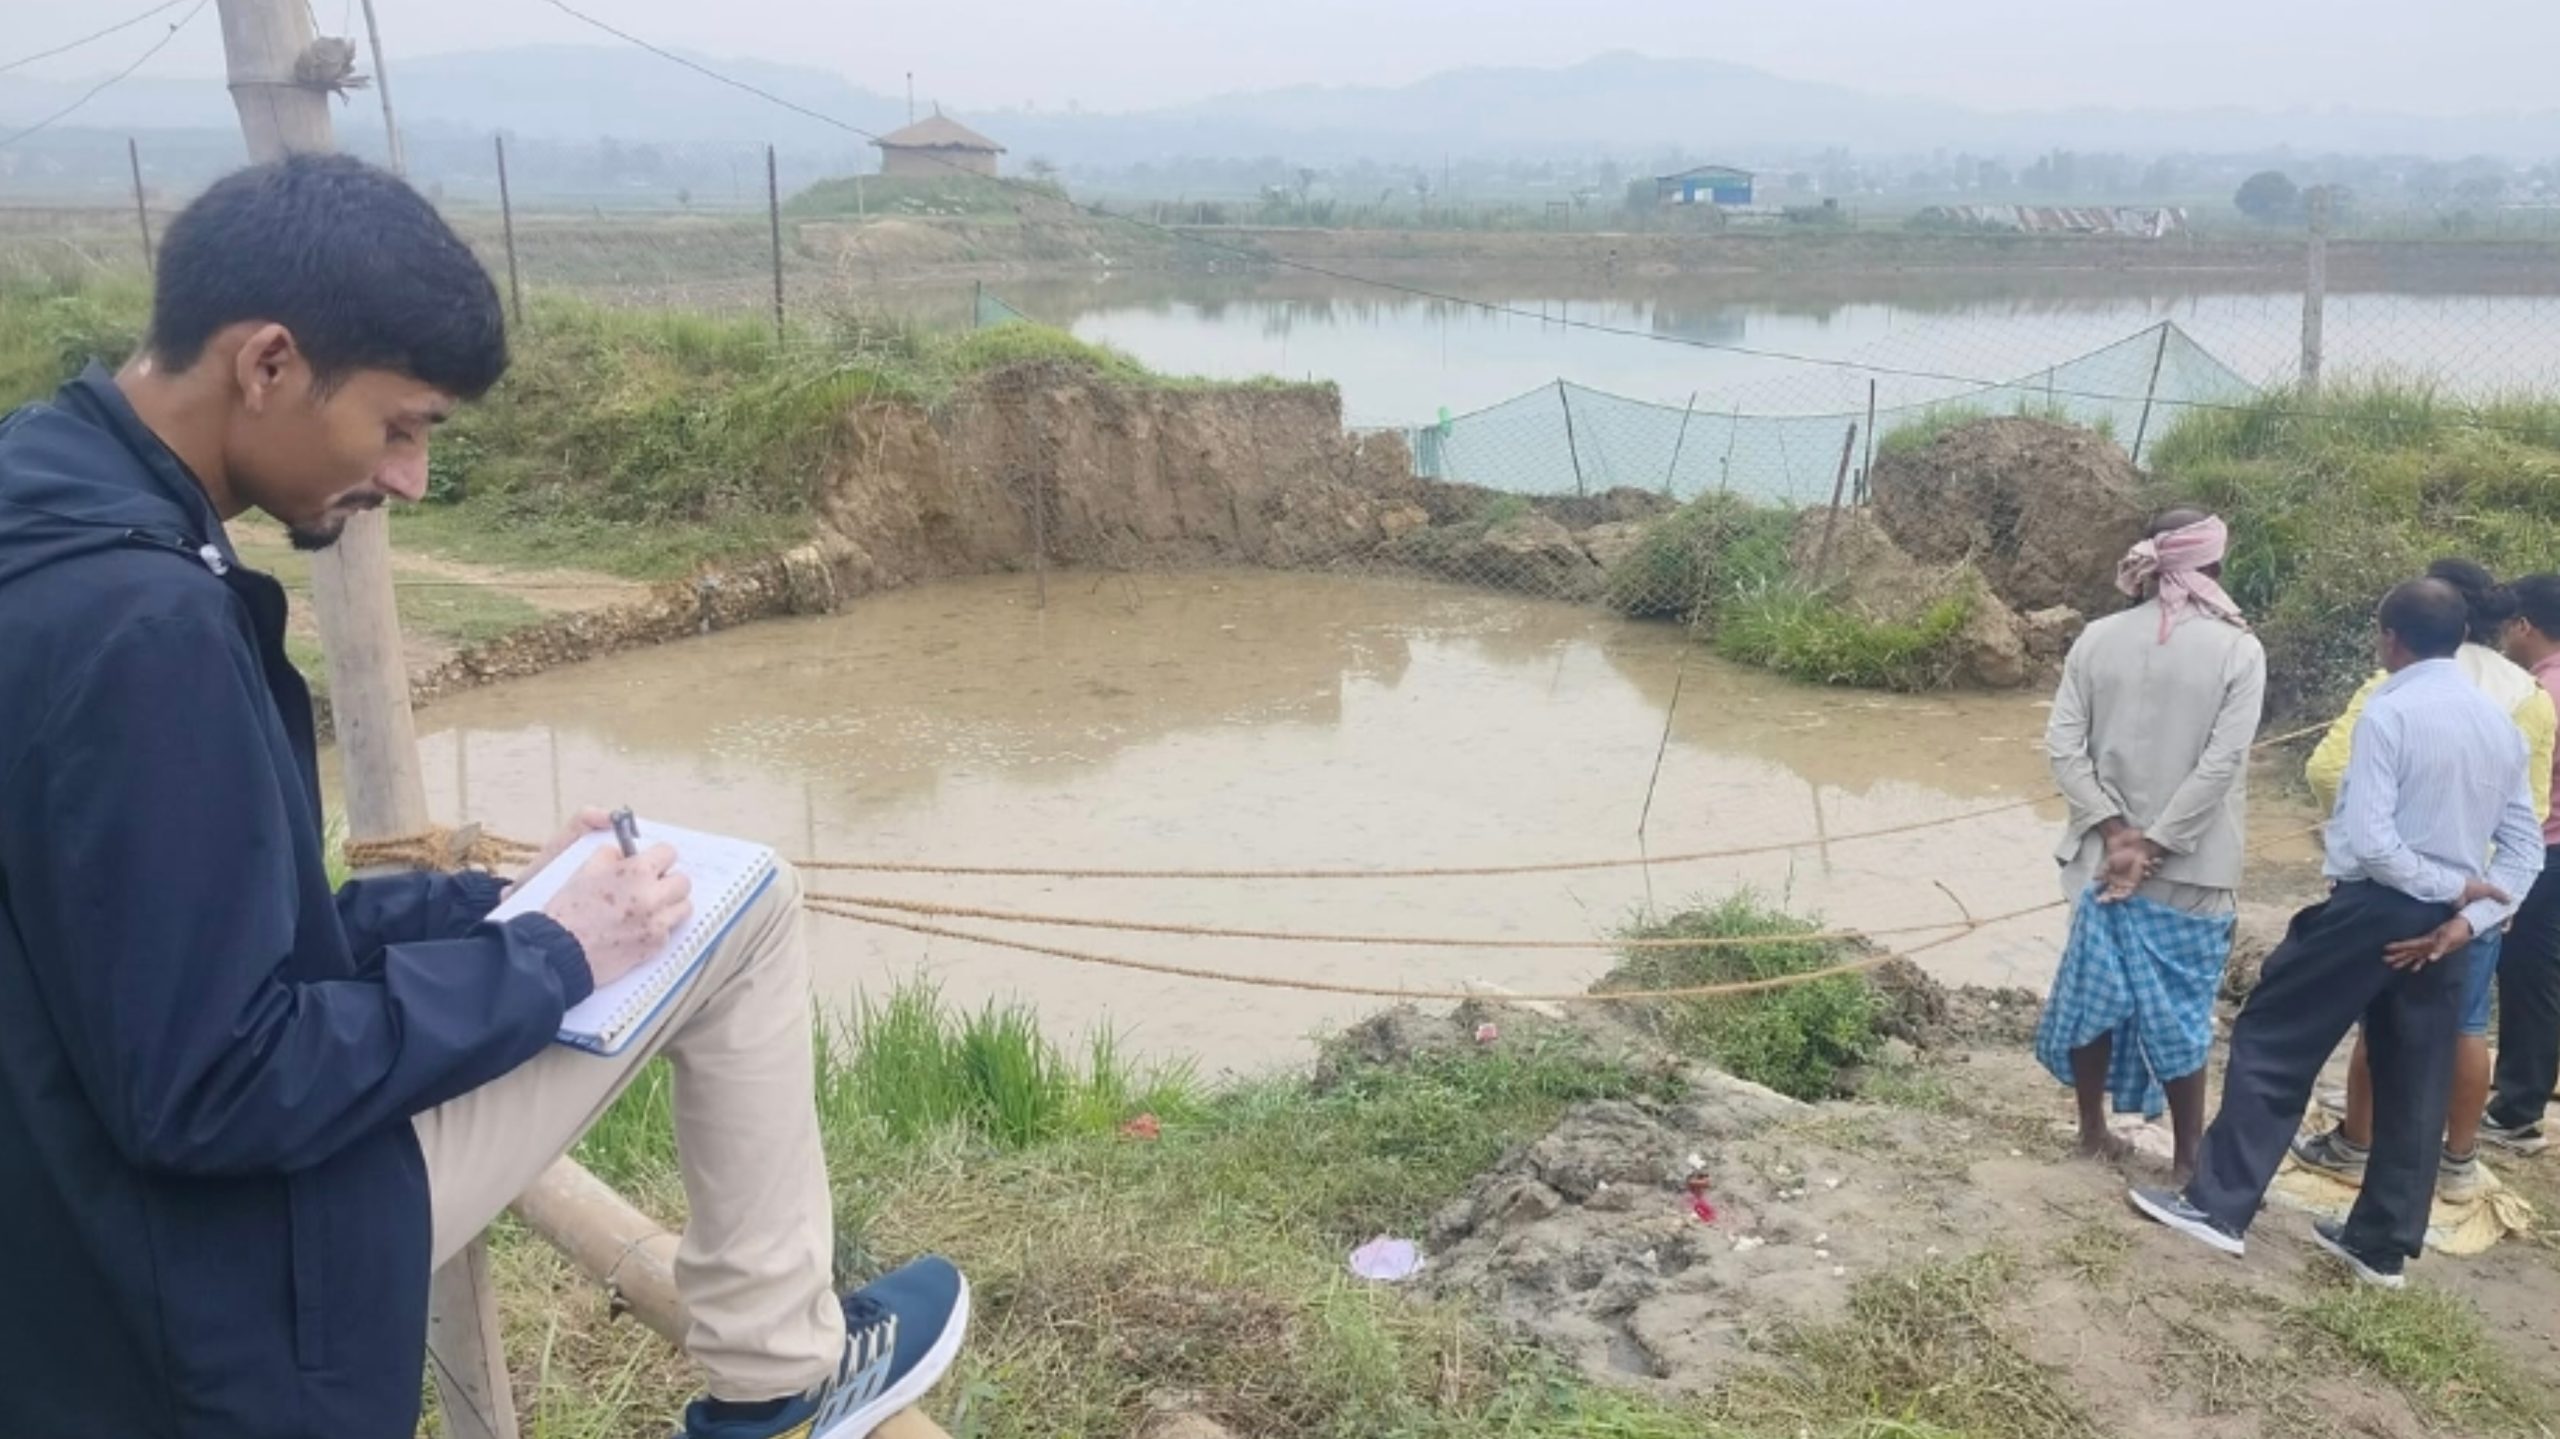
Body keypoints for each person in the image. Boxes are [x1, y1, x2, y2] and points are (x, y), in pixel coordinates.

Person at [0, 156, 965, 1439]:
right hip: (210, 1295)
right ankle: (778, 1371)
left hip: (58, 1250)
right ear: (269, 362)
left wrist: (492, 900)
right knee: (747, 905)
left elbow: (168, 944)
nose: (409, 480)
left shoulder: (44, 503)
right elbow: (216, 1080)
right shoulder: (150, 631)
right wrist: (552, 956)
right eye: (401, 426)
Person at [2130, 578, 2543, 1289]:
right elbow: (2523, 851)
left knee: (2275, 1035)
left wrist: (2448, 891)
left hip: (2376, 908)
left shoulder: (2389, 710)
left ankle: (2218, 1206)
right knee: (2416, 1073)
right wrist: (2465, 921)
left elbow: (2373, 842)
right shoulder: (2498, 723)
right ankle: (2380, 1245)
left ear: (2389, 637)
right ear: (2460, 637)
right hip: (2445, 930)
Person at [2291, 558, 2557, 1200]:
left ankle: (2356, 1144)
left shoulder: (2396, 681)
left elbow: (2327, 770)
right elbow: (2531, 811)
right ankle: (2457, 1163)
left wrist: (2355, 834)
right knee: (2466, 1024)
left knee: (2381, 1017)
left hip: (2390, 883)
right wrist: (2494, 891)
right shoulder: (2527, 694)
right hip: (2481, 890)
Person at [2035, 508, 2265, 1185]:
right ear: (2214, 565)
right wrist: (2159, 842)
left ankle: (2093, 1132)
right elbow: (2222, 763)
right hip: (2193, 865)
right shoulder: (2238, 650)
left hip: (2101, 860)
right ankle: (2189, 1155)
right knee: (2183, 1005)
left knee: (2094, 991)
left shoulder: (2096, 639)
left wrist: (2115, 832)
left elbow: (2062, 746)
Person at [2483, 572, 2560, 1154]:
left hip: (2542, 849)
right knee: (2540, 973)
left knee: (2528, 976)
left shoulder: (2540, 694)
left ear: (2524, 625)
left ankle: (2516, 1110)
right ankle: (2519, 1095)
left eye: (2508, 625)